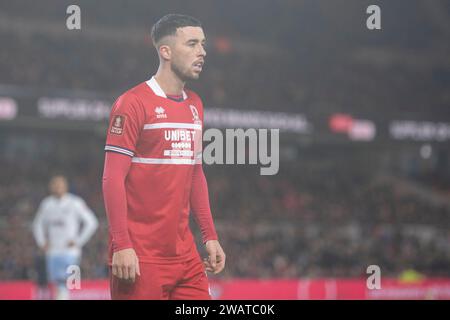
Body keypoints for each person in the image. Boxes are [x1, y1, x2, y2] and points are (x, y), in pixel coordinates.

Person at [102, 13, 226, 300]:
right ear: (165, 51)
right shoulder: (132, 103)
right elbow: (112, 178)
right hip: (140, 256)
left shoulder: (195, 104)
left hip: (185, 256)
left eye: (203, 44)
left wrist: (210, 236)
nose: (202, 52)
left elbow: (195, 174)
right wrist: (121, 245)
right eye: (192, 44)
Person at [32, 175, 99, 300]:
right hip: (53, 252)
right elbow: (37, 224)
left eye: (60, 184)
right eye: (54, 184)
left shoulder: (75, 203)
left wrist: (78, 241)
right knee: (57, 286)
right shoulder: (47, 204)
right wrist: (42, 242)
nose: (57, 187)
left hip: (71, 252)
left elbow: (92, 222)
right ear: (50, 187)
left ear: (65, 186)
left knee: (71, 285)